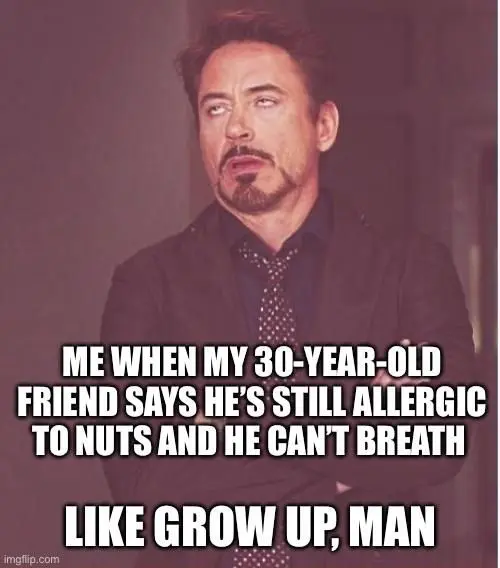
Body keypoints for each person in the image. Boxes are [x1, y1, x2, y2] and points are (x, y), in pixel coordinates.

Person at [100, 9, 475, 568]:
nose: (236, 129)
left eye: (264, 101)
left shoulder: (410, 268)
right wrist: (347, 438)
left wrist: (224, 429)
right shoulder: (145, 283)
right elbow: (142, 486)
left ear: (324, 126)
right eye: (215, 108)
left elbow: (439, 444)